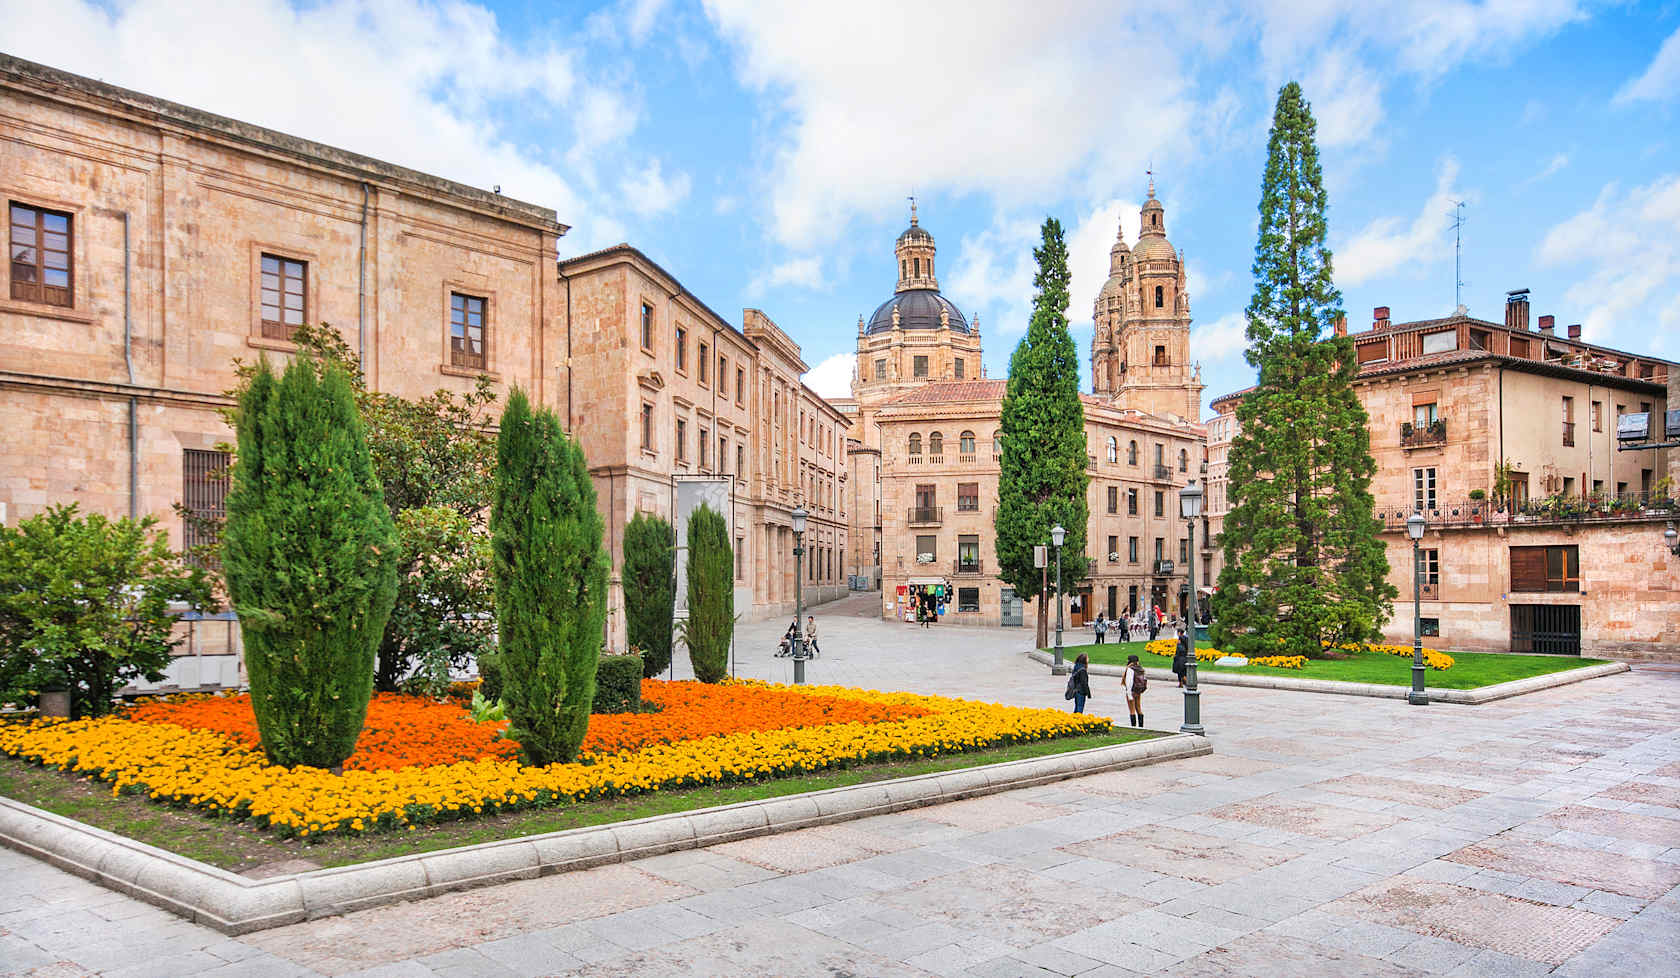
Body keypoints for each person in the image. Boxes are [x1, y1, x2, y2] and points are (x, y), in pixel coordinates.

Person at [1122, 654, 1145, 727]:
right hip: (1138, 691)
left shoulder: (1130, 669)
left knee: (1132, 710)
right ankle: (1141, 726)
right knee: (1139, 708)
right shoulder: (1140, 668)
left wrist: (1129, 694)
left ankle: (1133, 726)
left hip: (1132, 691)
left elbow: (1129, 682)